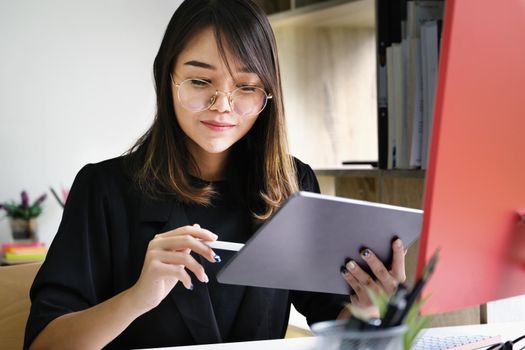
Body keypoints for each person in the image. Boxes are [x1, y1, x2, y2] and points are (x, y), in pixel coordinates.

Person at [24, 0, 406, 349]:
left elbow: (331, 319)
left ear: (267, 95)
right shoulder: (104, 189)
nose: (222, 105)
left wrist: (369, 308)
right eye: (200, 81)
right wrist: (138, 296)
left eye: (246, 87)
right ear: (167, 79)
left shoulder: (293, 185)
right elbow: (45, 344)